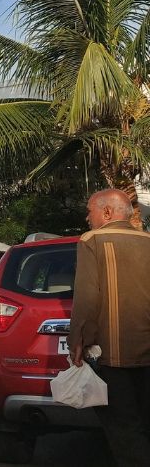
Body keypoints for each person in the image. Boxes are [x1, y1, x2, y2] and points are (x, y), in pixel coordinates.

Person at [68, 188, 150, 466]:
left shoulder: (92, 240)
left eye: (90, 211)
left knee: (125, 429)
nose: (87, 217)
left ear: (106, 212)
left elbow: (87, 298)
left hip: (113, 356)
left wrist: (77, 341)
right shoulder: (147, 240)